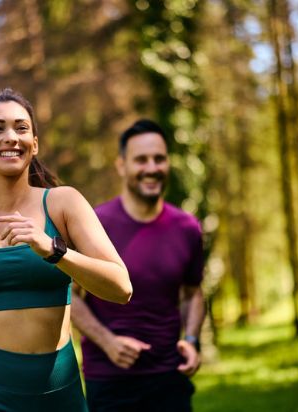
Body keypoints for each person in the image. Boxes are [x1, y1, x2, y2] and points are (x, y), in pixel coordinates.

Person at [0, 88, 132, 411]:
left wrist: (53, 250)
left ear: (35, 143)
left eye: (21, 127)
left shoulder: (63, 204)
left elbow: (121, 287)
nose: (11, 137)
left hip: (59, 395)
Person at [71, 119, 206, 412]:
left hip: (170, 379)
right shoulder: (95, 225)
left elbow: (192, 292)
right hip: (109, 382)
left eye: (159, 158)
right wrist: (107, 341)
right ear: (121, 165)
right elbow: (71, 296)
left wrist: (192, 340)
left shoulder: (187, 227)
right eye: (141, 159)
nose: (152, 167)